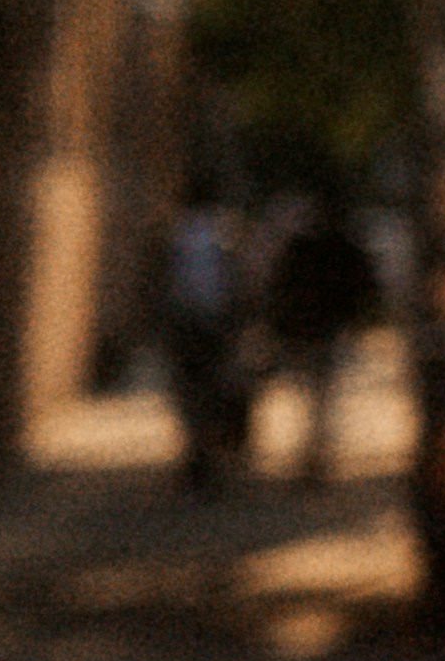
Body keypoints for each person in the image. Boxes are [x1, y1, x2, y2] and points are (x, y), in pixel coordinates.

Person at [257, 190, 380, 483]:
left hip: (310, 329)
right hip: (321, 329)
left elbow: (280, 287)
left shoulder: (303, 248)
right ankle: (315, 456)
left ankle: (313, 456)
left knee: (312, 397)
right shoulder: (336, 247)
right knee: (320, 397)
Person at [151, 193, 252, 495]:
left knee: (191, 396)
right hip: (212, 329)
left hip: (187, 328)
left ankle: (199, 457)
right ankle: (206, 459)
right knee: (211, 394)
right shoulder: (226, 236)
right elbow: (240, 287)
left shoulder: (175, 238)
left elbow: (158, 286)